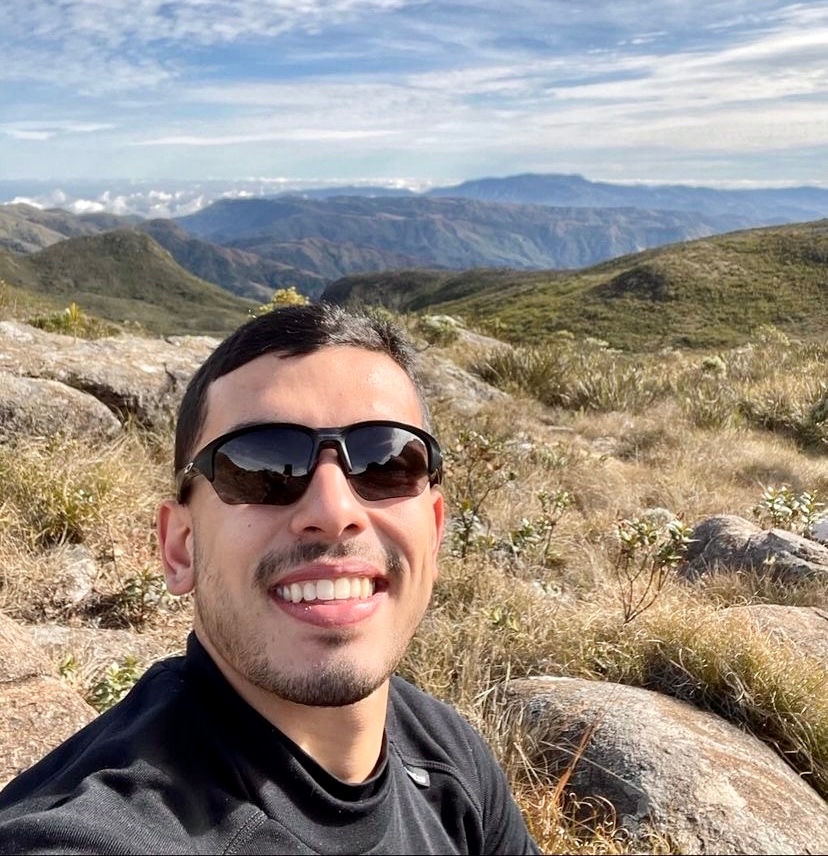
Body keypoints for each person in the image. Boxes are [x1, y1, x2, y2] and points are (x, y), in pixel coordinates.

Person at [0, 302, 541, 854]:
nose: (333, 511)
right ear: (181, 548)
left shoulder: (445, 755)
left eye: (385, 463)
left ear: (433, 528)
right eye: (262, 468)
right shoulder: (100, 831)